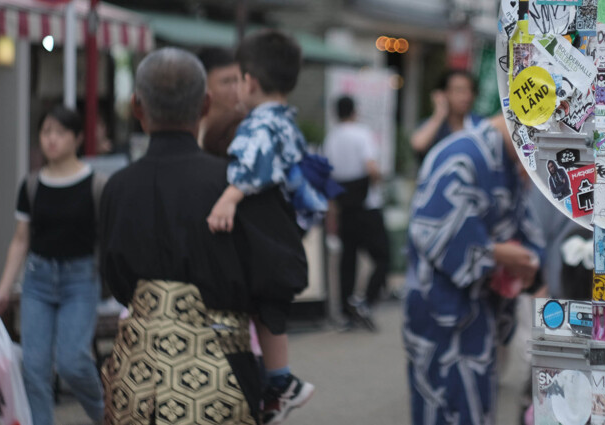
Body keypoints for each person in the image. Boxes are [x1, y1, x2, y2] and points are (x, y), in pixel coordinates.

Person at [100, 48, 308, 425]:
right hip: (223, 371)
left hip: (138, 374)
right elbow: (283, 272)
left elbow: (115, 280)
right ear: (205, 103)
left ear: (136, 107)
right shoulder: (234, 185)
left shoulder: (116, 188)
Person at [205, 29, 320, 422]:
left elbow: (253, 164)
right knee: (270, 315)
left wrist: (228, 197)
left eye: (237, 79)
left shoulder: (259, 125)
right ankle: (277, 386)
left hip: (269, 241)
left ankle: (282, 382)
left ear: (249, 82)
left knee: (266, 311)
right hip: (287, 233)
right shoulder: (287, 120)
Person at [403, 114, 543, 425]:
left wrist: (526, 262)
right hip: (442, 311)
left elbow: (525, 232)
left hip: (478, 314)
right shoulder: (461, 154)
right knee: (444, 407)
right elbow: (431, 230)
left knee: (475, 408)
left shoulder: (505, 157)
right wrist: (496, 254)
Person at [0, 105, 105, 425]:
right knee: (34, 368)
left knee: (72, 362)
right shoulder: (32, 185)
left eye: (60, 132)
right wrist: (3, 289)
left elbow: (109, 239)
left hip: (80, 280)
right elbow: (20, 240)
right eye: (46, 132)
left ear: (78, 138)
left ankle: (110, 416)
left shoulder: (96, 184)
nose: (51, 139)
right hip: (37, 280)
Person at [322, 95, 390, 331]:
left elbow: (327, 177)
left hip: (344, 207)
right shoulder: (362, 134)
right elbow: (371, 167)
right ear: (354, 111)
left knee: (347, 260)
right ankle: (366, 302)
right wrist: (379, 180)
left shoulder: (331, 138)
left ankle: (346, 310)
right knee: (383, 257)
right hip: (367, 206)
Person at [409, 69, 483, 160]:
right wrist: (439, 114)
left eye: (470, 90)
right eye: (459, 90)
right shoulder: (434, 125)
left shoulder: (481, 125)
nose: (466, 96)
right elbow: (418, 145)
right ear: (443, 94)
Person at [196, 46, 245, 156]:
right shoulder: (193, 127)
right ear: (205, 84)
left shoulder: (246, 125)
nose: (235, 89)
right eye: (226, 82)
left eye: (237, 80)